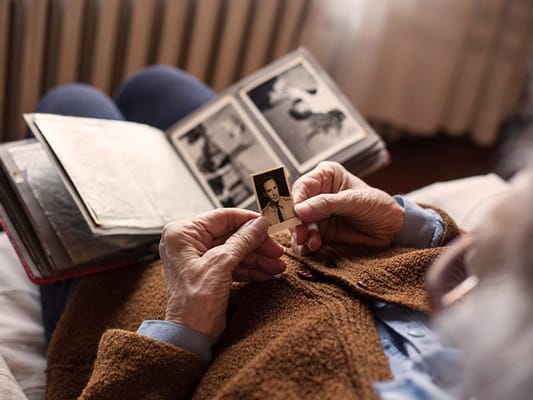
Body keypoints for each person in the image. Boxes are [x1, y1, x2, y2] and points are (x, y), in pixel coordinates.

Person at [34, 65, 530, 400]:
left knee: (71, 102)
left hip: (130, 303)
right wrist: (409, 224)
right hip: (258, 232)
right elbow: (483, 262)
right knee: (155, 85)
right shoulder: (498, 313)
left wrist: (184, 326)